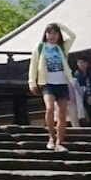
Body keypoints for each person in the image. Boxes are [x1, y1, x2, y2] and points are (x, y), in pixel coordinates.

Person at [27, 23, 75, 151]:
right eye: (49, 33)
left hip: (62, 82)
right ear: (46, 34)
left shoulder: (62, 47)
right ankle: (51, 137)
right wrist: (32, 82)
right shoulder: (40, 47)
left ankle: (60, 141)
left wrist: (59, 25)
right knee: (49, 108)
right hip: (47, 82)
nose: (52, 36)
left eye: (55, 33)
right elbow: (33, 65)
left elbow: (72, 36)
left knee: (62, 113)